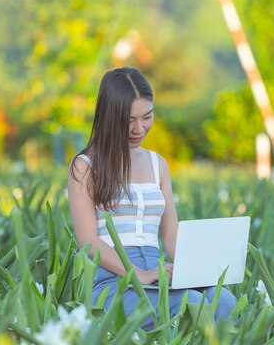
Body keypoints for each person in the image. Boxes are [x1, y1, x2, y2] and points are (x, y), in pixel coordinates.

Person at [67, 66, 237, 330]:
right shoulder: (85, 165)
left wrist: (198, 270)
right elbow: (88, 241)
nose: (139, 128)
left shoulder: (158, 164)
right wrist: (139, 274)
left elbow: (170, 236)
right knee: (192, 303)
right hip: (114, 282)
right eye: (129, 120)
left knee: (224, 299)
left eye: (147, 116)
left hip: (156, 274)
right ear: (109, 117)